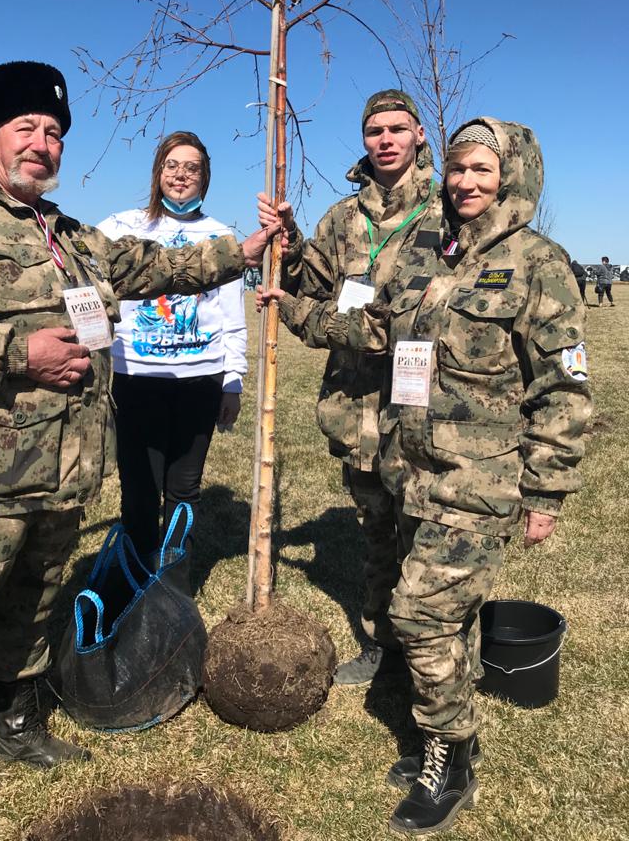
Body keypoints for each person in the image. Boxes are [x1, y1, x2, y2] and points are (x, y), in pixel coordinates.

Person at [0, 61, 280, 841]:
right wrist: (21, 352)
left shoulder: (70, 235)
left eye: (54, 133)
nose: (43, 144)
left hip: (61, 470)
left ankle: (13, 722)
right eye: (27, 128)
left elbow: (158, 266)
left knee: (37, 599)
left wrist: (243, 248)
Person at [267, 118, 591, 835]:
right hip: (412, 470)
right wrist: (288, 307)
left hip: (483, 481)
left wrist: (546, 492)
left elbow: (565, 392)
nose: (466, 183)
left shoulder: (541, 264)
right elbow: (376, 329)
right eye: (457, 169)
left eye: (481, 170)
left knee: (418, 614)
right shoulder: (426, 253)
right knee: (447, 616)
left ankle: (452, 756)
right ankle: (439, 734)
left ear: (511, 175)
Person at [257, 89, 439, 686]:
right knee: (376, 531)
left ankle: (432, 655)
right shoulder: (343, 216)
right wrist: (289, 241)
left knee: (426, 533)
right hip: (356, 406)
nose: (384, 141)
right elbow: (314, 280)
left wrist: (308, 316)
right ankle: (381, 641)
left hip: (420, 407)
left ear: (418, 135)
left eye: (396, 129)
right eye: (373, 131)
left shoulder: (447, 213)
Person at [97, 131, 246, 575]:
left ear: (206, 178)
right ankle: (136, 579)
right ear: (157, 172)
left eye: (192, 168)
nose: (181, 175)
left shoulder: (220, 236)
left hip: (199, 380)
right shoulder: (121, 227)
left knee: (184, 488)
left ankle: (175, 586)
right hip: (136, 378)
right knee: (139, 488)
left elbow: (233, 316)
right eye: (172, 165)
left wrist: (232, 381)